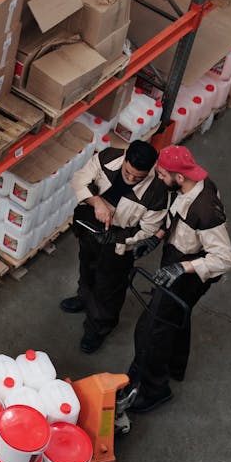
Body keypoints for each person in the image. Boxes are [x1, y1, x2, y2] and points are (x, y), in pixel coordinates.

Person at [121, 145, 231, 414]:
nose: (159, 178)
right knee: (176, 319)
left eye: (162, 175)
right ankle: (175, 366)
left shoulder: (205, 210)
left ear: (180, 176)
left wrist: (181, 269)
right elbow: (177, 218)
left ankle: (154, 389)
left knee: (150, 331)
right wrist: (156, 238)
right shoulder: (189, 186)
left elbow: (225, 259)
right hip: (177, 257)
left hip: (190, 273)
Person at [61, 140, 169, 354]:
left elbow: (147, 230)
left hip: (120, 244)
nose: (130, 179)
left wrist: (115, 237)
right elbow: (79, 179)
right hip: (91, 228)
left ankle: (99, 326)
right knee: (87, 267)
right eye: (128, 173)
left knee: (109, 286)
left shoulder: (156, 192)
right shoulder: (108, 157)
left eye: (138, 177)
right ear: (126, 155)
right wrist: (97, 202)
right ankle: (84, 297)